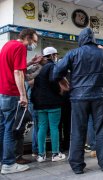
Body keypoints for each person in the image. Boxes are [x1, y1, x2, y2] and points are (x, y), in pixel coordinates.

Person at [53, 28, 103, 174]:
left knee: (77, 131)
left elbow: (56, 72)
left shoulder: (73, 53)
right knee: (102, 130)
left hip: (78, 97)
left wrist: (65, 84)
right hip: (100, 96)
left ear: (80, 39)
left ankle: (77, 166)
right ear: (94, 39)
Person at [0, 28, 42, 174]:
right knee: (11, 130)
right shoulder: (20, 47)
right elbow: (18, 72)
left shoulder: (8, 45)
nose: (34, 45)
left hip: (2, 93)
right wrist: (23, 95)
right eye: (34, 41)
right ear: (28, 38)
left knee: (3, 128)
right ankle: (9, 164)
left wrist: (30, 62)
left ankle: (3, 160)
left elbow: (16, 68)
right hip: (12, 94)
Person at [31, 47, 66, 163]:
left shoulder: (40, 69)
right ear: (52, 56)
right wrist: (59, 91)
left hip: (40, 104)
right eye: (55, 55)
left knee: (42, 128)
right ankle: (55, 154)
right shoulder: (52, 66)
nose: (56, 57)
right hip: (53, 103)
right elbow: (53, 81)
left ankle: (41, 155)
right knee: (54, 128)